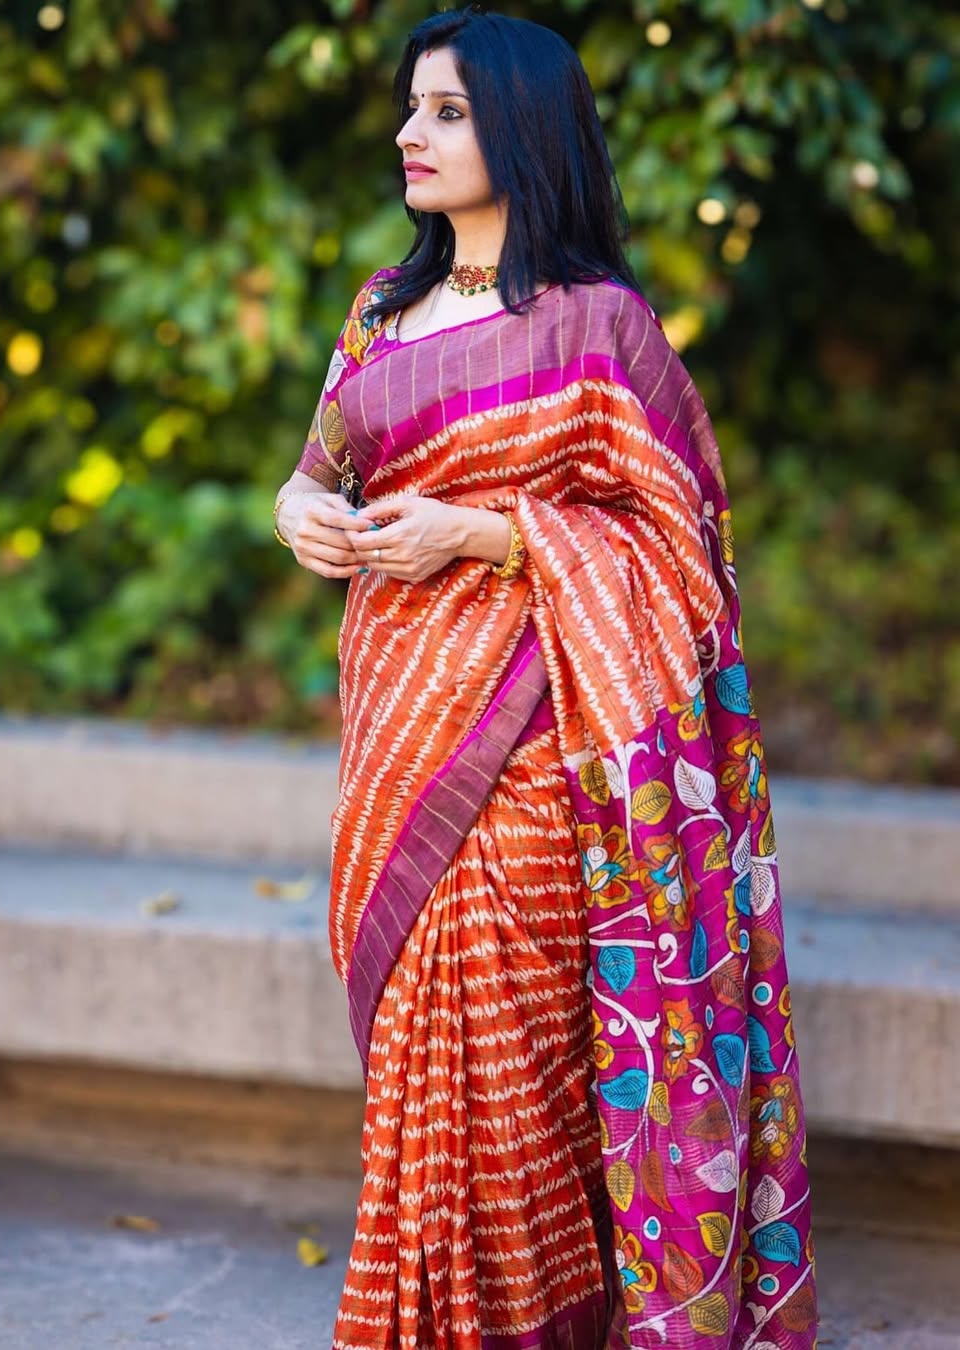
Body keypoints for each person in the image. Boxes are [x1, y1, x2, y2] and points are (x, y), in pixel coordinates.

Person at [273, 8, 817, 1348]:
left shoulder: (601, 328)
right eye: (410, 107)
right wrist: (301, 512)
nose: (410, 131)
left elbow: (684, 547)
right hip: (400, 726)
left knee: (507, 1049)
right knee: (421, 1057)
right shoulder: (381, 313)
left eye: (447, 110)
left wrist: (494, 533)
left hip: (539, 742)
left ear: (522, 128)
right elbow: (317, 470)